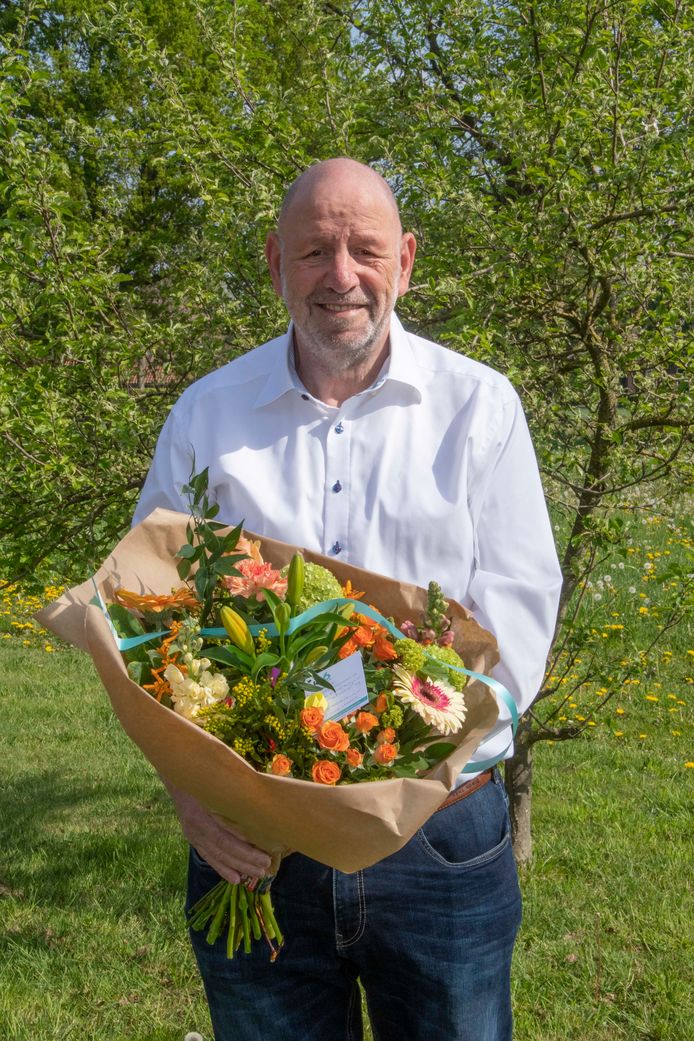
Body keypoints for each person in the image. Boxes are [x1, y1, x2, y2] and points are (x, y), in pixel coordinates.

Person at [134, 157, 562, 1041]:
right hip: (253, 847)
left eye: (364, 248)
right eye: (314, 250)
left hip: (439, 838)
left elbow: (519, 616)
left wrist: (402, 767)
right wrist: (191, 790)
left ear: (405, 260)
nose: (341, 276)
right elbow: (146, 613)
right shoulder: (207, 414)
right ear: (274, 262)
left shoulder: (480, 409)